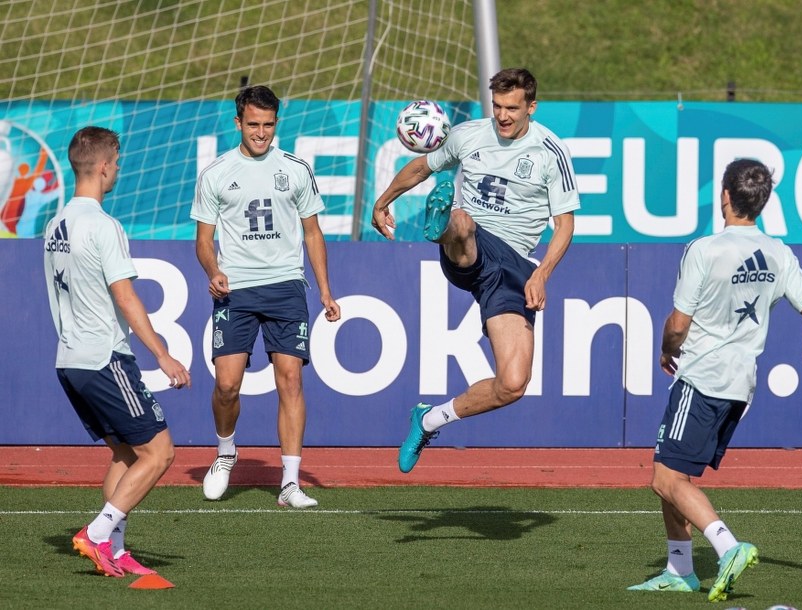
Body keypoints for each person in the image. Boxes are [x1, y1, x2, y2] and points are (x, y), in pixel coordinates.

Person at [627, 158, 802, 602]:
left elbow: (678, 323)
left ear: (725, 196)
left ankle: (728, 546)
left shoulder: (704, 249)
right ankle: (679, 569)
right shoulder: (778, 252)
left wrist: (666, 350)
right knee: (674, 473)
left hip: (701, 378)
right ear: (762, 203)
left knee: (664, 479)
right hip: (740, 386)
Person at [372, 67, 580, 473]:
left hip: (514, 267)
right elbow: (421, 167)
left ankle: (428, 420)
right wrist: (383, 201)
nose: (502, 115)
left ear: (531, 107)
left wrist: (541, 275)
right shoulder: (468, 135)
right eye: (497, 106)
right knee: (464, 221)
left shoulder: (551, 152)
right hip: (470, 248)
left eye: (512, 108)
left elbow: (565, 225)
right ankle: (443, 225)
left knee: (513, 383)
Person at [43, 126, 191, 577]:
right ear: (105, 166)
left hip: (70, 361)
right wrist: (162, 354)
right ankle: (96, 533)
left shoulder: (55, 224)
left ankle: (115, 550)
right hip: (104, 357)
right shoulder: (103, 225)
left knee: (127, 454)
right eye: (118, 162)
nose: (119, 169)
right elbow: (125, 296)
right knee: (160, 453)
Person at [191, 84, 340, 508]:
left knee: (290, 380)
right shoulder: (216, 173)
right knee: (227, 385)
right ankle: (226, 453)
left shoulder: (296, 169)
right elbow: (203, 241)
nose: (261, 133)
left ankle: (289, 484)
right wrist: (213, 271)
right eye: (253, 124)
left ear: (277, 123)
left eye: (269, 125)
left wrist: (325, 291)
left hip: (286, 286)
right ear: (238, 123)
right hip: (235, 289)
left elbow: (313, 233)